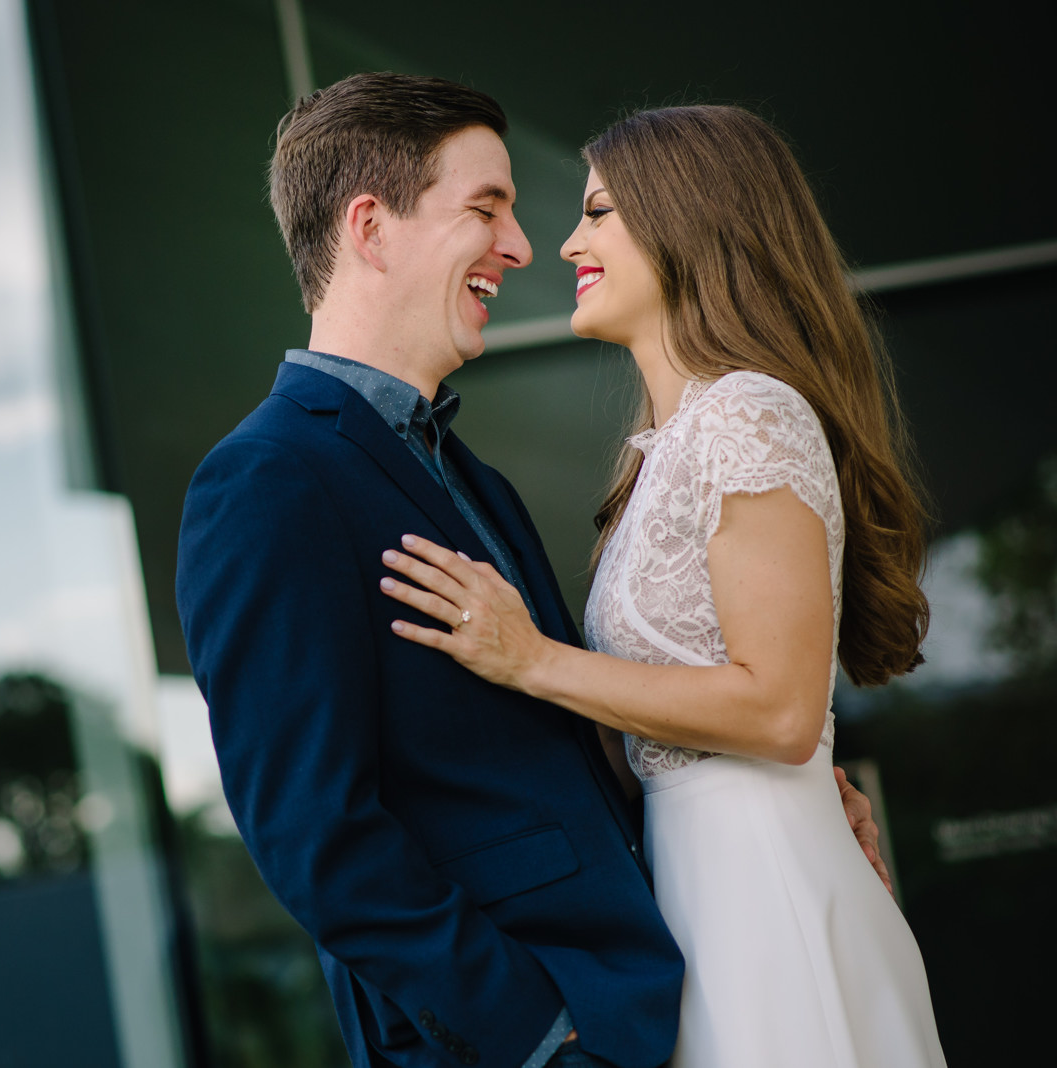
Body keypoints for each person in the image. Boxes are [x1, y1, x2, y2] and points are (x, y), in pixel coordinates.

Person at [177, 76, 888, 1068]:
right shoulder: (265, 481)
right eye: (485, 210)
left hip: (654, 990)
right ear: (371, 230)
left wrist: (789, 786)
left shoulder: (479, 483)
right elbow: (314, 838)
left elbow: (557, 742)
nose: (521, 247)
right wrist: (539, 1035)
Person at [380, 105, 946, 1067]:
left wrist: (533, 661)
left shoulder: (748, 414)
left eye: (598, 213)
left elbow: (776, 710)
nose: (567, 242)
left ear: (688, 220)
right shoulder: (660, 451)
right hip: (694, 901)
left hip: (765, 901)